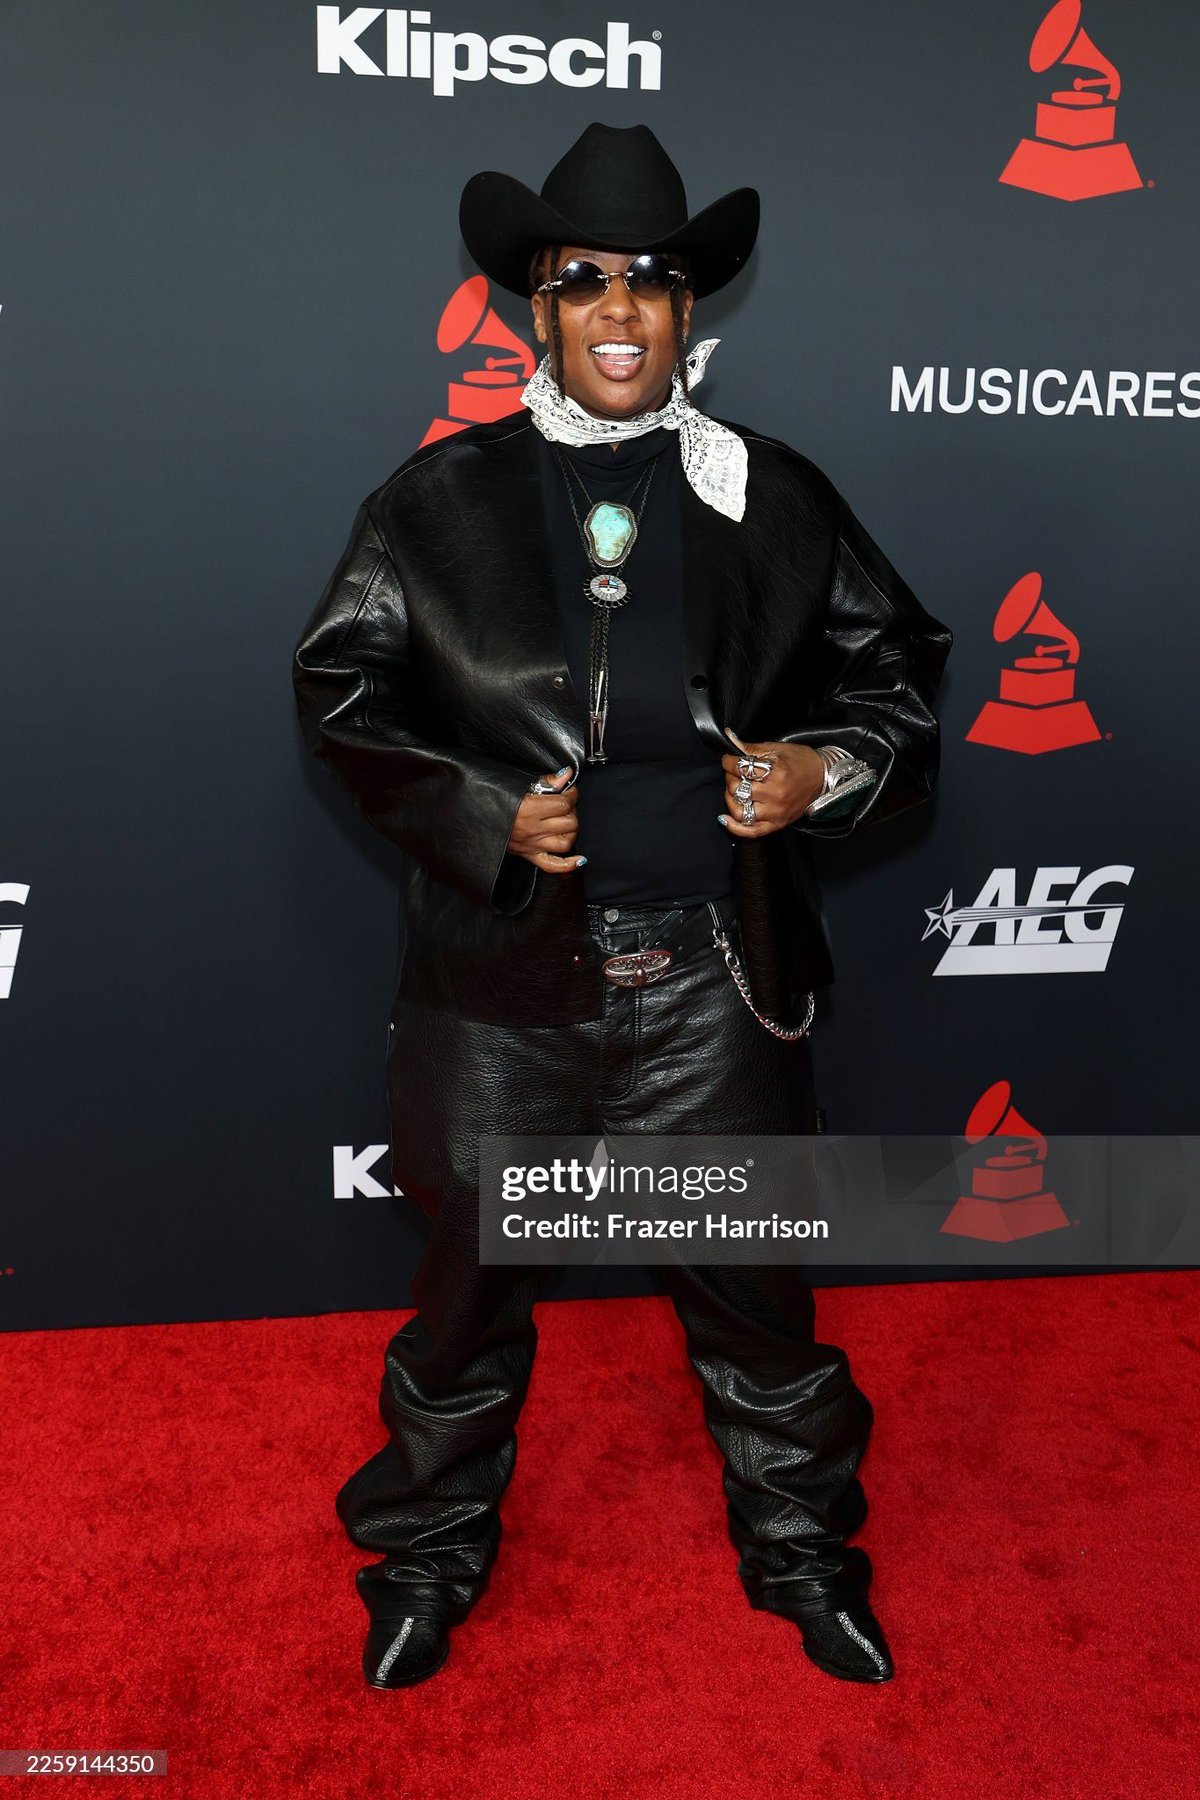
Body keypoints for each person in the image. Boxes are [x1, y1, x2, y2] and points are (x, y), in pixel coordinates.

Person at [292, 122, 952, 1691]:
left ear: (686, 309)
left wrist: (822, 770)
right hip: (504, 997)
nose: (616, 308)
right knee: (464, 1310)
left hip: (717, 985)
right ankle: (426, 1557)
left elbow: (900, 675)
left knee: (759, 1314)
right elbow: (340, 689)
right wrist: (482, 811)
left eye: (649, 280)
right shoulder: (436, 502)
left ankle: (804, 1552)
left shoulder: (775, 497)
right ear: (537, 303)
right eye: (582, 277)